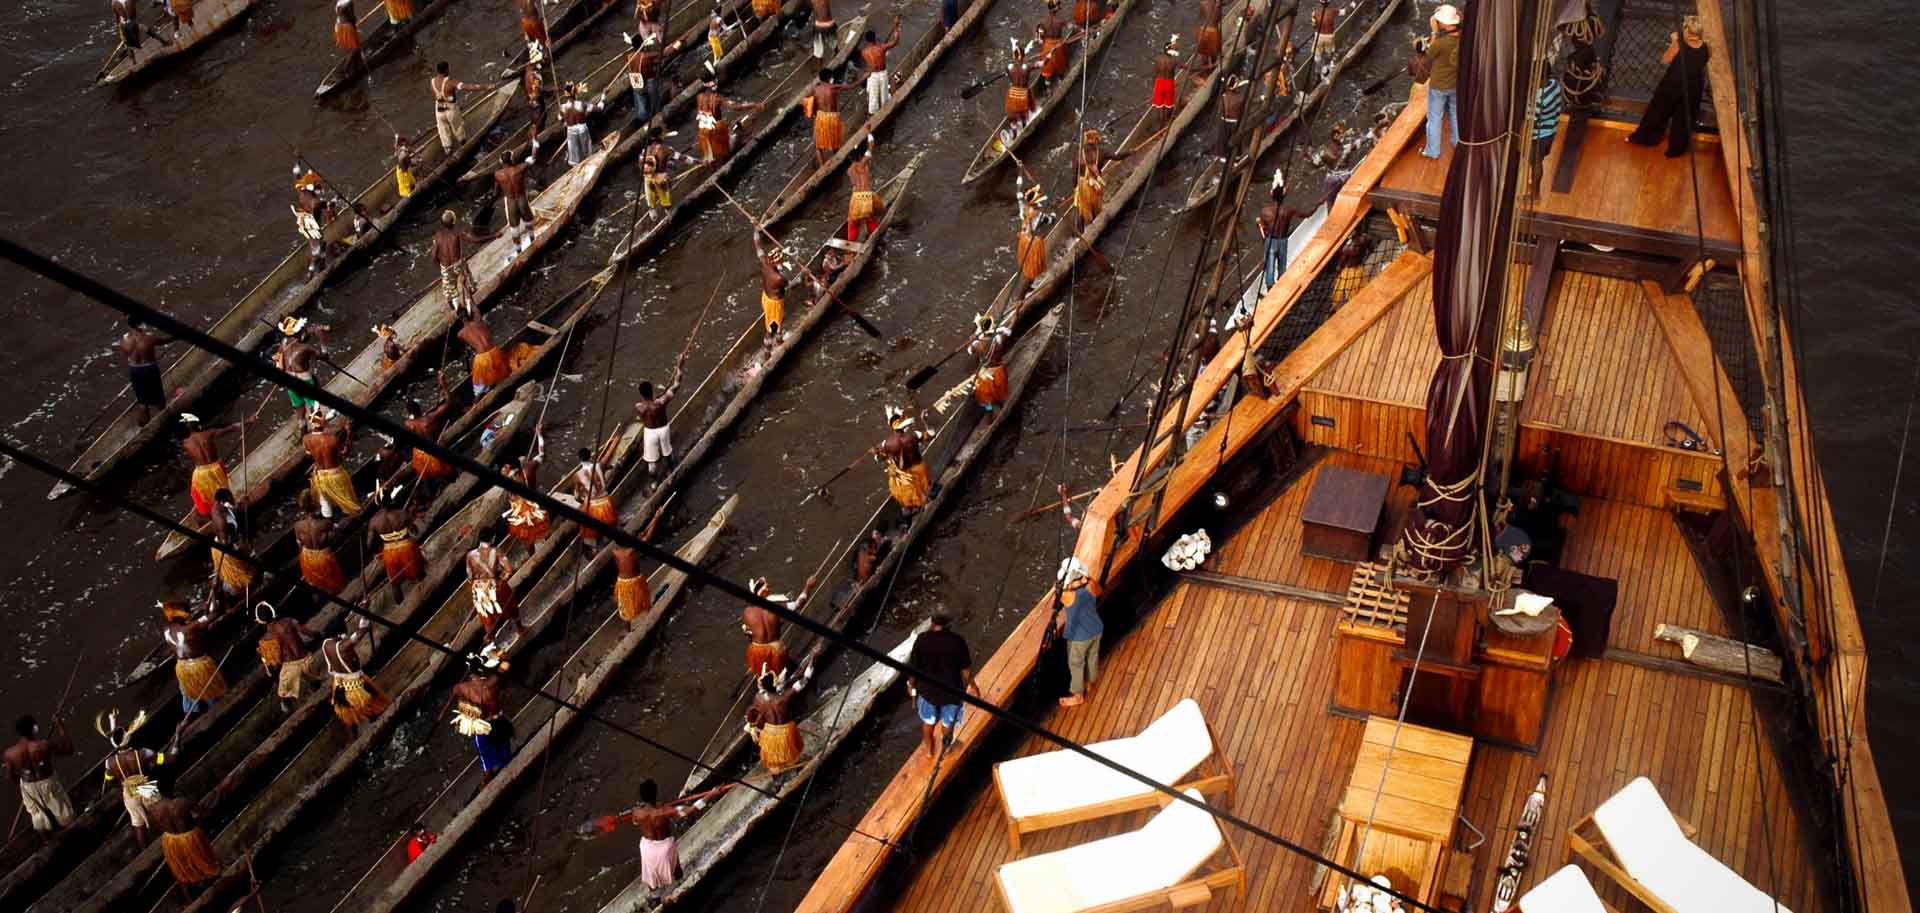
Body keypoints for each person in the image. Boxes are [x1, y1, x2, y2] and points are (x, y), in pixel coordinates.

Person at [1628, 16, 1709, 157]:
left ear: (1687, 31)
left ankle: (1647, 139)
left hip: (1673, 84)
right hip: (1693, 88)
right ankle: (1675, 150)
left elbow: (1665, 60)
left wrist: (1674, 42)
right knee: (1683, 119)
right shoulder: (1706, 47)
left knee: (1657, 111)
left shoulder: (1679, 44)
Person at [905, 613, 976, 759]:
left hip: (927, 692)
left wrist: (910, 685)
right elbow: (966, 671)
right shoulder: (957, 641)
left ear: (932, 621)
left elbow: (913, 667)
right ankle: (946, 747)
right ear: (949, 623)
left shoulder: (922, 639)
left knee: (928, 721)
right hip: (951, 693)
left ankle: (930, 750)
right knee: (947, 723)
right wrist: (973, 686)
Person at [5, 715, 75, 841]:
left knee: (37, 816)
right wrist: (60, 727)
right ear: (33, 728)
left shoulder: (10, 753)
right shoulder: (43, 745)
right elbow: (69, 749)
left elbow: (10, 776)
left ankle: (47, 842)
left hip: (27, 786)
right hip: (47, 782)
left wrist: (23, 787)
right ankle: (71, 833)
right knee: (61, 809)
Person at [100, 714, 165, 846]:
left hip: (129, 792)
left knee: (138, 825)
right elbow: (165, 759)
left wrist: (123, 786)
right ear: (128, 738)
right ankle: (169, 834)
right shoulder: (143, 753)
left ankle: (145, 852)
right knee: (161, 811)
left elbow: (109, 782)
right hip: (146, 787)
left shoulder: (109, 763)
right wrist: (176, 742)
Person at [451, 648, 513, 783]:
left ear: (469, 672)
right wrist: (498, 651)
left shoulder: (461, 688)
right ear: (483, 670)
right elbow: (507, 662)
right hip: (499, 723)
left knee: (487, 765)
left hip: (482, 727)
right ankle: (511, 775)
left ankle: (488, 783)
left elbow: (455, 690)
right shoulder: (492, 683)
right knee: (506, 758)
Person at [630, 779, 705, 889]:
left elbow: (635, 822)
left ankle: (654, 897)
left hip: (647, 850)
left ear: (642, 797)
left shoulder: (636, 812)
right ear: (656, 793)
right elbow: (691, 809)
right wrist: (712, 794)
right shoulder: (664, 811)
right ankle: (681, 883)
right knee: (676, 865)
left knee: (652, 879)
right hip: (664, 849)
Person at [322, 616, 386, 733]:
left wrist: (363, 610)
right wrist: (364, 621)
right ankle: (377, 727)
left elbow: (353, 636)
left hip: (339, 685)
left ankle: (356, 734)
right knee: (372, 706)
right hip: (355, 688)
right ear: (340, 634)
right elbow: (359, 634)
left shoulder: (326, 644)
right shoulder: (343, 647)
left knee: (349, 714)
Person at [150, 794, 219, 901]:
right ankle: (208, 886)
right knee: (202, 862)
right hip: (190, 838)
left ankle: (189, 899)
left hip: (170, 841)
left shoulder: (153, 808)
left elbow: (160, 827)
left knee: (180, 869)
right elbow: (204, 813)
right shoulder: (182, 802)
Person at [162, 601, 225, 719]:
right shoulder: (190, 628)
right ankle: (217, 711)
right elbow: (216, 613)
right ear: (182, 614)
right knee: (211, 693)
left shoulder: (166, 630)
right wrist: (215, 591)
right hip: (199, 667)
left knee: (188, 694)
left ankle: (191, 714)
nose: (190, 613)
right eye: (188, 611)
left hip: (182, 668)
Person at [255, 602, 323, 711]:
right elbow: (308, 633)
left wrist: (273, 675)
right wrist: (319, 635)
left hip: (290, 668)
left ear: (260, 621)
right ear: (273, 612)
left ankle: (287, 708)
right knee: (315, 682)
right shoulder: (288, 621)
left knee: (283, 695)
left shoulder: (265, 640)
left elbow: (275, 664)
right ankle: (316, 689)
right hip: (307, 660)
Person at [744, 666, 813, 772]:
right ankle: (798, 768)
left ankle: (776, 778)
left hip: (770, 732)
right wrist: (810, 667)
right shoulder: (783, 699)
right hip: (786, 732)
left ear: (763, 688)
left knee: (773, 758)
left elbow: (753, 711)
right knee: (791, 752)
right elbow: (802, 683)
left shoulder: (758, 698)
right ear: (775, 685)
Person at [742, 575, 815, 676]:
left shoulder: (747, 612)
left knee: (762, 674)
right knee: (781, 675)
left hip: (757, 651)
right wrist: (808, 586)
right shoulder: (776, 607)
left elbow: (749, 635)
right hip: (776, 649)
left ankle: (764, 681)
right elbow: (798, 604)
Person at [1053, 558, 1102, 707]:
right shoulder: (1091, 585)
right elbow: (1099, 591)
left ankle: (1077, 695)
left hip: (1080, 637)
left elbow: (1057, 591)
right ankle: (1090, 682)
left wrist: (1065, 584)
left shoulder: (1067, 596)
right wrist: (1084, 580)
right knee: (1092, 656)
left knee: (1076, 664)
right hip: (1097, 628)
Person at [434, 210, 496, 316]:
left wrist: (442, 267)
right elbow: (474, 240)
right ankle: (471, 299)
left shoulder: (437, 236)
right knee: (467, 283)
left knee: (450, 291)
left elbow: (434, 256)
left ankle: (455, 309)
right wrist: (493, 236)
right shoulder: (457, 233)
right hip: (458, 264)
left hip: (445, 267)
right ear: (454, 222)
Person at [178, 413, 240, 520]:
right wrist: (248, 421)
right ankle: (229, 511)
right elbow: (230, 428)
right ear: (199, 425)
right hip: (216, 468)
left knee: (197, 493)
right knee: (223, 490)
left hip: (200, 473)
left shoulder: (185, 443)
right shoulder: (208, 433)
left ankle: (211, 517)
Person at [1072, 128, 1136, 229]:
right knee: (1095, 206)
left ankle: (1080, 233)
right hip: (1094, 185)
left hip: (1082, 185)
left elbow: (1075, 172)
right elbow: (1117, 157)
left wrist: (1075, 187)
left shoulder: (1079, 153)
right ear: (1096, 140)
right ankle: (1095, 226)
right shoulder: (1101, 151)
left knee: (1082, 208)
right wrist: (1129, 152)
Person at [873, 405, 933, 512]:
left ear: (891, 426)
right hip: (920, 469)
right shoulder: (914, 435)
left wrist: (876, 453)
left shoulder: (886, 444)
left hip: (904, 477)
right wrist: (925, 421)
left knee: (906, 492)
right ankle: (926, 505)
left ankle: (911, 508)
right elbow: (931, 434)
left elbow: (879, 459)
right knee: (924, 491)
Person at [404, 383, 458, 499]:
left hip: (419, 456)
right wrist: (444, 385)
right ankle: (455, 485)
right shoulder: (429, 419)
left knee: (426, 479)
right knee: (452, 475)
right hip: (435, 453)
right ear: (419, 409)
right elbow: (449, 402)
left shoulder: (408, 424)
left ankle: (430, 493)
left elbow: (410, 418)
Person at [1420, 5, 1461, 159]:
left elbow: (1427, 57)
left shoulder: (1441, 43)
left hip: (1438, 86)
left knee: (1434, 119)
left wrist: (1434, 32)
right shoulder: (1462, 38)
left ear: (1445, 23)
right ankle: (1457, 143)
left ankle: (1433, 151)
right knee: (1455, 115)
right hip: (1455, 84)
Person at [1258, 177, 1312, 292]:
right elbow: (1306, 214)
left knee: (1270, 269)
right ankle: (1282, 289)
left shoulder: (1264, 211)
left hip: (1271, 241)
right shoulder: (1288, 210)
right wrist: (1318, 204)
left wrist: (1265, 241)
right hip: (1282, 240)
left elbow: (1263, 229)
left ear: (1271, 195)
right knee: (1282, 267)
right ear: (1283, 196)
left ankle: (1270, 291)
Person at [304, 412, 361, 518]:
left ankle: (328, 520)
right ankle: (352, 517)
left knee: (325, 503)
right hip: (336, 475)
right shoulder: (332, 439)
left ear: (311, 424)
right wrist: (349, 433)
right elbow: (344, 452)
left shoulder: (306, 439)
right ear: (323, 423)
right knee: (348, 503)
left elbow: (309, 456)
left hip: (319, 476)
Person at [368, 485, 423, 595]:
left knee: (395, 582)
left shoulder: (374, 521)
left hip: (389, 553)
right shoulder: (402, 513)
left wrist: (377, 552)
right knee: (419, 572)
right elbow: (415, 532)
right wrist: (410, 517)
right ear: (390, 499)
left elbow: (369, 544)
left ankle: (400, 605)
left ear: (378, 503)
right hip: (407, 548)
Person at [291, 491, 348, 595]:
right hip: (323, 558)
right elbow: (337, 536)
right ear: (316, 504)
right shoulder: (324, 523)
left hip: (306, 558)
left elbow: (299, 546)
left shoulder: (297, 526)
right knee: (336, 586)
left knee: (318, 583)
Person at [503, 430, 549, 555]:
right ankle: (547, 547)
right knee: (541, 529)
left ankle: (532, 556)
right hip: (535, 506)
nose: (504, 469)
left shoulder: (506, 479)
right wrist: (539, 434)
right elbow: (541, 453)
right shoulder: (528, 469)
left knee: (526, 537)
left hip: (521, 511)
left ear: (511, 468)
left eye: (506, 467)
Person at [467, 538, 521, 642]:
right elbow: (509, 570)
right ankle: (520, 629)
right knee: (512, 608)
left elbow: (470, 579)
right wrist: (503, 577)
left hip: (480, 591)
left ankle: (490, 639)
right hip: (496, 587)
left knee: (488, 618)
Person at [633, 372, 680, 482]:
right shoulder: (660, 402)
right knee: (667, 452)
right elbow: (676, 385)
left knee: (652, 462)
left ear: (641, 394)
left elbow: (645, 405)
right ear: (652, 391)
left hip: (650, 433)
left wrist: (655, 398)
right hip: (663, 430)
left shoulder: (639, 407)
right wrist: (679, 369)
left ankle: (654, 483)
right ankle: (670, 469)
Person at [431, 63, 487, 154]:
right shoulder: (450, 82)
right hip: (451, 111)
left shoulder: (432, 81)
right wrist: (486, 87)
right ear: (446, 70)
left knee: (443, 131)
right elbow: (468, 87)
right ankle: (464, 146)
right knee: (458, 129)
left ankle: (448, 150)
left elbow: (437, 96)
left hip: (439, 111)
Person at [694, 81, 757, 162]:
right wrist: (753, 105)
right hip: (719, 140)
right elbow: (736, 108)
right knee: (738, 129)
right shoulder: (717, 99)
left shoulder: (699, 97)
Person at [458, 310, 514, 397]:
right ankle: (503, 385)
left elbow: (468, 346)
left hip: (482, 358)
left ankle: (476, 402)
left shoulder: (460, 334)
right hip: (494, 352)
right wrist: (469, 297)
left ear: (460, 319)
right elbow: (475, 309)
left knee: (478, 389)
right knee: (502, 375)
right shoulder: (478, 321)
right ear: (469, 314)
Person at [570, 447, 616, 548]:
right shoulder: (599, 465)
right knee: (608, 529)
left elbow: (577, 497)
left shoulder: (577, 475)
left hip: (594, 506)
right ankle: (607, 540)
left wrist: (582, 500)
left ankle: (593, 547)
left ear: (579, 458)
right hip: (606, 501)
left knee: (587, 527)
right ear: (590, 456)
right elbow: (609, 466)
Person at [806, 69, 855, 165]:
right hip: (832, 117)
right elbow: (851, 86)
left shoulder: (815, 89)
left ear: (820, 79)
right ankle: (837, 159)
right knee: (835, 142)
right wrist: (863, 78)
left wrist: (814, 114)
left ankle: (822, 166)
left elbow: (810, 104)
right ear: (829, 78)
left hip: (821, 117)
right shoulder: (833, 88)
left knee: (818, 146)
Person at [1530, 61, 1564, 194]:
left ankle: (1535, 193)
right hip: (1550, 131)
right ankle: (1533, 181)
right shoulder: (1554, 85)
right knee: (1537, 161)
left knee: (1536, 163)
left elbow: (1531, 122)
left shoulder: (1538, 99)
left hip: (1539, 135)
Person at [292, 171, 336, 275]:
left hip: (305, 224)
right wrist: (336, 198)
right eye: (317, 184)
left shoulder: (302, 191)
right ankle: (310, 274)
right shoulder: (316, 203)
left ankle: (322, 266)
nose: (319, 186)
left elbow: (296, 173)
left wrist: (297, 160)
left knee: (322, 245)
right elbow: (329, 211)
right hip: (313, 228)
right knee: (316, 252)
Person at [1013, 178, 1050, 299]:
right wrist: (1053, 215)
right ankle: (1020, 297)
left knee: (1027, 266)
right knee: (1033, 271)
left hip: (1023, 239)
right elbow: (1049, 220)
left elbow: (1018, 193)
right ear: (1034, 203)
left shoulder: (1023, 207)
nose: (1039, 204)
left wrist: (1020, 173)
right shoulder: (1039, 215)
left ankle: (1027, 287)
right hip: (1031, 243)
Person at [858, 17, 903, 115]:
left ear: (866, 40)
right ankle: (885, 110)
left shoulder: (864, 52)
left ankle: (873, 114)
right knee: (884, 96)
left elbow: (869, 66)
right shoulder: (881, 48)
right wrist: (896, 27)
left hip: (873, 75)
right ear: (874, 38)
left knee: (873, 98)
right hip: (882, 74)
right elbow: (895, 41)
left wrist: (867, 75)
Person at [967, 313, 1011, 411]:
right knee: (1000, 394)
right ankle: (1002, 407)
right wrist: (1016, 311)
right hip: (998, 371)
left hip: (984, 374)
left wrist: (971, 340)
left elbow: (969, 351)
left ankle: (989, 414)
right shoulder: (998, 339)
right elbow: (1009, 331)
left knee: (986, 399)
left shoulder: (976, 344)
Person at [494, 153, 536, 253]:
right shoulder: (519, 168)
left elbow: (496, 191)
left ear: (501, 162)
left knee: (514, 229)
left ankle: (518, 251)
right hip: (522, 200)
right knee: (528, 222)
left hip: (511, 203)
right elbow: (533, 158)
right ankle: (532, 239)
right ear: (512, 159)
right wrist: (535, 142)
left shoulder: (497, 174)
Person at [753, 235, 791, 342]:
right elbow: (789, 284)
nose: (782, 263)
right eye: (780, 261)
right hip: (774, 304)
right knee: (773, 328)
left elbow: (758, 246)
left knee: (776, 322)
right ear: (776, 262)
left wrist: (755, 229)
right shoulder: (778, 278)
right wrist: (803, 275)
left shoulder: (764, 263)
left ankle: (778, 339)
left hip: (766, 297)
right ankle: (769, 351)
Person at [844, 140, 884, 241]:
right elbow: (871, 146)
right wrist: (869, 133)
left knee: (852, 224)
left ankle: (850, 249)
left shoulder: (849, 171)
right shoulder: (863, 165)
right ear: (860, 157)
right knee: (870, 219)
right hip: (866, 196)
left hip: (856, 197)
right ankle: (875, 238)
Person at [638, 128, 683, 216]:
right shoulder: (665, 149)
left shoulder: (644, 151)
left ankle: (652, 211)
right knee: (665, 200)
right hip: (660, 180)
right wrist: (699, 161)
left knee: (651, 199)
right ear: (658, 137)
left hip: (648, 179)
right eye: (662, 134)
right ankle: (669, 213)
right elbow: (683, 158)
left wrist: (667, 162)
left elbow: (641, 166)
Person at [560, 83, 603, 167]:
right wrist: (603, 97)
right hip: (582, 130)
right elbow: (600, 108)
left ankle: (575, 166)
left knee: (574, 157)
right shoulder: (582, 104)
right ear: (575, 93)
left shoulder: (562, 107)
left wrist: (566, 120)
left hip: (571, 132)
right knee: (587, 152)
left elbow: (561, 120)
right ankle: (589, 162)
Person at [610, 540, 654, 623]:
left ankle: (628, 628)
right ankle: (648, 617)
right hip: (633, 582)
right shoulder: (630, 551)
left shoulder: (615, 552)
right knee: (643, 601)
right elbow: (646, 538)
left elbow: (617, 563)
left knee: (625, 608)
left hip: (622, 581)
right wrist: (653, 526)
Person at [1002, 42, 1034, 137]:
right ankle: (1024, 126)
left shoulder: (1009, 67)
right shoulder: (1026, 67)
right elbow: (1039, 64)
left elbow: (1008, 70)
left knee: (1012, 115)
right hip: (1022, 95)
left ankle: (1015, 133)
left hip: (1012, 95)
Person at [1150, 36, 1182, 123]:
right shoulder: (1173, 61)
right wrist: (1203, 67)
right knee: (1168, 105)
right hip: (1168, 84)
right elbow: (1186, 68)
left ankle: (1160, 124)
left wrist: (1154, 87)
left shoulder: (1157, 59)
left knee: (1159, 106)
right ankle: (1167, 121)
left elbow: (1154, 74)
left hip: (1159, 83)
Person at [1193, 0, 1222, 79]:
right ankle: (1211, 71)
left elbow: (1201, 18)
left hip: (1202, 30)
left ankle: (1206, 70)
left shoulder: (1202, 3)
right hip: (1212, 32)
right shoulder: (1217, 5)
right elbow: (1218, 18)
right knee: (1214, 55)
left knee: (1205, 55)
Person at [393, 134, 417, 198]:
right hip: (402, 173)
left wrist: (396, 138)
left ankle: (413, 189)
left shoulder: (399, 149)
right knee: (405, 189)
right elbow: (411, 163)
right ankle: (409, 196)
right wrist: (418, 161)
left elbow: (396, 146)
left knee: (412, 182)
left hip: (406, 171)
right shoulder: (404, 154)